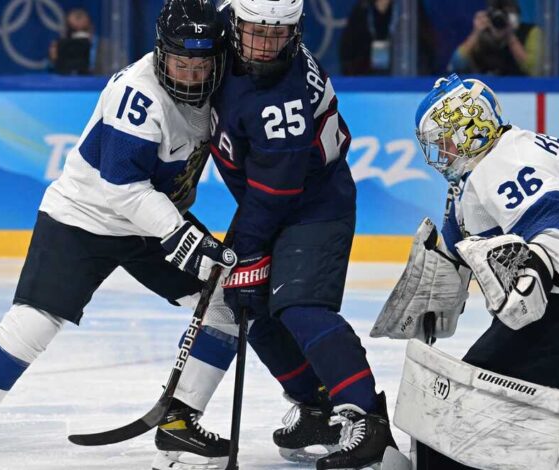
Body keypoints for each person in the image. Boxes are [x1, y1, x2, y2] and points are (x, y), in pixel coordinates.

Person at [0, 1, 235, 469]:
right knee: (33, 322)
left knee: (226, 308)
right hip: (85, 216)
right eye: (180, 62)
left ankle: (179, 423)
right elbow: (123, 187)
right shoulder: (139, 93)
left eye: (200, 64)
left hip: (152, 218)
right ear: (160, 53)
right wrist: (182, 236)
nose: (191, 75)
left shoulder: (225, 87)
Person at [152, 1, 398, 469]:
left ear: (296, 31)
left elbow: (275, 192)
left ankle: (370, 421)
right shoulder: (224, 37)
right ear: (232, 20)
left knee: (300, 306)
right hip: (275, 205)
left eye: (277, 35)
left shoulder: (279, 98)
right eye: (254, 32)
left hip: (314, 207)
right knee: (254, 311)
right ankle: (317, 409)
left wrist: (240, 252)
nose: (264, 46)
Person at [396, 73, 559, 468]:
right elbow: (462, 237)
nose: (441, 151)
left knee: (466, 413)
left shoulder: (502, 164)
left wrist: (536, 271)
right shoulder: (489, 164)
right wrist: (440, 280)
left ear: (473, 128)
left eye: (446, 138)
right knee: (489, 400)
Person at [339, 0, 436, 76]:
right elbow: (348, 51)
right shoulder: (362, 9)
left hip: (402, 77)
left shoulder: (409, 8)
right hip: (367, 79)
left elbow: (427, 46)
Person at [448, 0, 541, 76]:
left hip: (521, 90)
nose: (500, 18)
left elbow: (535, 70)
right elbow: (456, 65)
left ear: (517, 15)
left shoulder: (530, 32)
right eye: (497, 13)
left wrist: (510, 36)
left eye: (506, 13)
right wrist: (476, 33)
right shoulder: (482, 32)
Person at [49, 7, 96, 75]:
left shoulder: (99, 45)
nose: (78, 23)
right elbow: (52, 64)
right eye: (77, 18)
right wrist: (54, 57)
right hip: (64, 76)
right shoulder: (60, 44)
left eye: (80, 17)